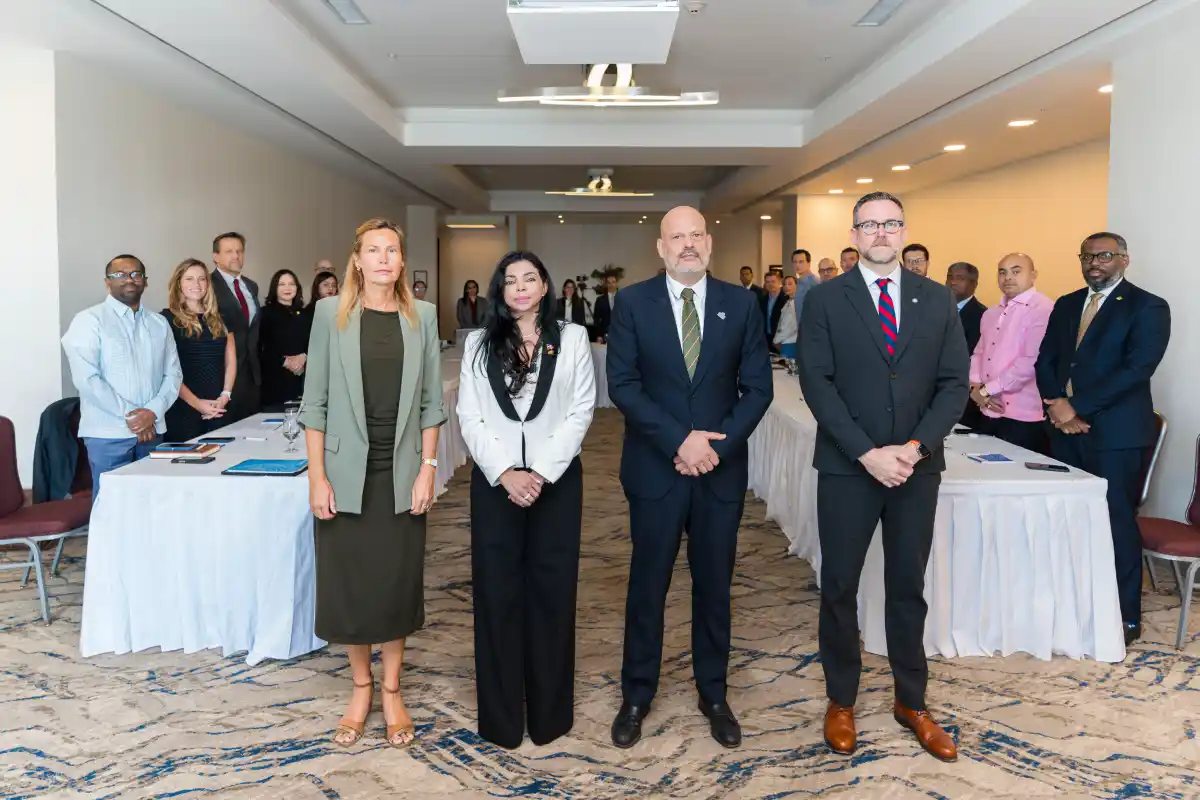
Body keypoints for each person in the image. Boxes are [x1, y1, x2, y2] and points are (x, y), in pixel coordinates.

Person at [798, 191, 968, 763]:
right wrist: (867, 453)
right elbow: (817, 383)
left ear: (903, 230)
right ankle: (841, 699)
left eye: (890, 223)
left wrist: (915, 449)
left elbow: (953, 384)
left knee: (907, 587)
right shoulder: (826, 299)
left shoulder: (937, 298)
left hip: (916, 470)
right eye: (868, 225)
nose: (880, 233)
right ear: (854, 234)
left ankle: (911, 702)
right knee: (839, 586)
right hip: (847, 467)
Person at [607, 206, 773, 750]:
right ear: (660, 247)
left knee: (715, 587)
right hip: (656, 468)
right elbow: (623, 384)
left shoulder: (740, 303)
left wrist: (712, 448)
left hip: (718, 472)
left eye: (696, 235)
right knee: (647, 585)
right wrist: (681, 440)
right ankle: (637, 694)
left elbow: (758, 388)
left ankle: (714, 693)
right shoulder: (633, 302)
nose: (687, 245)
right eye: (676, 237)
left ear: (709, 242)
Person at [301, 218, 445, 748]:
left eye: (392, 250)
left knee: (394, 584)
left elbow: (431, 402)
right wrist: (317, 477)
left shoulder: (422, 316)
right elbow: (315, 402)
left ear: (402, 261)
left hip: (401, 472)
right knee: (353, 586)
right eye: (373, 250)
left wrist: (428, 467)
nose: (383, 258)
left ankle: (392, 691)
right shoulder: (329, 314)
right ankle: (360, 688)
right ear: (357, 260)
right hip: (344, 474)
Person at [457, 251, 597, 749]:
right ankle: (500, 720)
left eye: (529, 278)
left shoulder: (572, 338)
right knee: (497, 597)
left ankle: (549, 716)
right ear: (500, 289)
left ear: (544, 287)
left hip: (554, 482)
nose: (520, 287)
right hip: (496, 485)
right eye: (510, 280)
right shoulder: (478, 343)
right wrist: (505, 473)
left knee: (552, 596)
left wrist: (538, 472)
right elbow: (470, 416)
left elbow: (581, 411)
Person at [1035, 232, 1170, 647]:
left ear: (1124, 260)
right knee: (1069, 521)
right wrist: (1057, 406)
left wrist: (1077, 408)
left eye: (1105, 256)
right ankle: (1074, 605)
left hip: (1116, 435)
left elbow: (1137, 369)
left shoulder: (1147, 306)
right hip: (1065, 433)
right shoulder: (1067, 303)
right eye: (1087, 256)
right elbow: (1046, 360)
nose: (1094, 263)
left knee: (1115, 523)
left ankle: (1124, 615)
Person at [62, 255, 182, 499]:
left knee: (152, 503)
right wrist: (135, 417)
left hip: (153, 431)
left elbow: (173, 374)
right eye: (120, 274)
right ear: (107, 282)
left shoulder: (159, 323)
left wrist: (152, 412)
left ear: (145, 281)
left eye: (136, 274)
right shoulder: (88, 320)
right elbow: (87, 379)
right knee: (111, 506)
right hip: (109, 434)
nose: (129, 279)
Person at [969, 253, 1052, 454]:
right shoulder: (991, 313)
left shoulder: (1043, 309)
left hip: (1023, 416)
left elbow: (1030, 362)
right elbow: (979, 353)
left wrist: (986, 390)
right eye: (1002, 272)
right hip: (987, 408)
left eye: (1016, 271)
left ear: (1033, 275)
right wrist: (974, 388)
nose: (1008, 278)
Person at [161, 258, 236, 442]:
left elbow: (231, 360)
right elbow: (167, 370)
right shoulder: (166, 319)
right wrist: (197, 404)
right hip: (183, 408)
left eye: (202, 279)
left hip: (219, 406)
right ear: (178, 284)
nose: (197, 284)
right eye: (189, 279)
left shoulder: (221, 317)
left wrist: (225, 396)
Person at [210, 232, 261, 422]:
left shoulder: (251, 286)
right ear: (215, 256)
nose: (236, 256)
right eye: (229, 251)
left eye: (239, 251)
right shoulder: (207, 286)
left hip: (251, 374)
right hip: (223, 375)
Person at [258, 269, 312, 411]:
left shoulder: (305, 314)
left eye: (291, 284)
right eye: (281, 284)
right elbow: (259, 347)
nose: (287, 288)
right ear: (274, 288)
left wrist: (304, 356)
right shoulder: (264, 313)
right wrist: (284, 361)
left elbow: (314, 342)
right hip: (275, 381)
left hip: (303, 380)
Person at [947, 262, 987, 428]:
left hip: (963, 395)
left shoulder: (982, 315)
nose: (952, 282)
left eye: (960, 278)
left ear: (974, 284)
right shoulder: (937, 309)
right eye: (950, 277)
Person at [758, 271, 786, 353]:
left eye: (773, 281)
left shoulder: (786, 299)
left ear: (779, 282)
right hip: (766, 339)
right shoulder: (762, 300)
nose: (770, 284)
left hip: (782, 340)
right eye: (767, 282)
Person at [593, 273, 620, 342]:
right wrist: (599, 335)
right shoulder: (600, 300)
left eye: (613, 282)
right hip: (604, 335)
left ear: (616, 284)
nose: (611, 285)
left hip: (619, 334)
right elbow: (596, 319)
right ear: (606, 285)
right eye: (609, 283)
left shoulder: (622, 299)